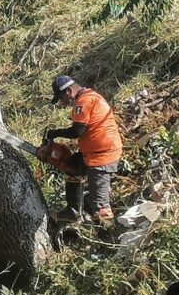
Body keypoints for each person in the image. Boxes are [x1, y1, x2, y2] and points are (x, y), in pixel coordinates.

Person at [43, 75, 123, 223]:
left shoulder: (84, 102)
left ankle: (108, 236)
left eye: (62, 98)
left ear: (68, 91)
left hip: (102, 156)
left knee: (101, 206)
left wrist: (56, 133)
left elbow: (77, 132)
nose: (63, 102)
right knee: (71, 166)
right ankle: (73, 211)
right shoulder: (91, 97)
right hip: (93, 153)